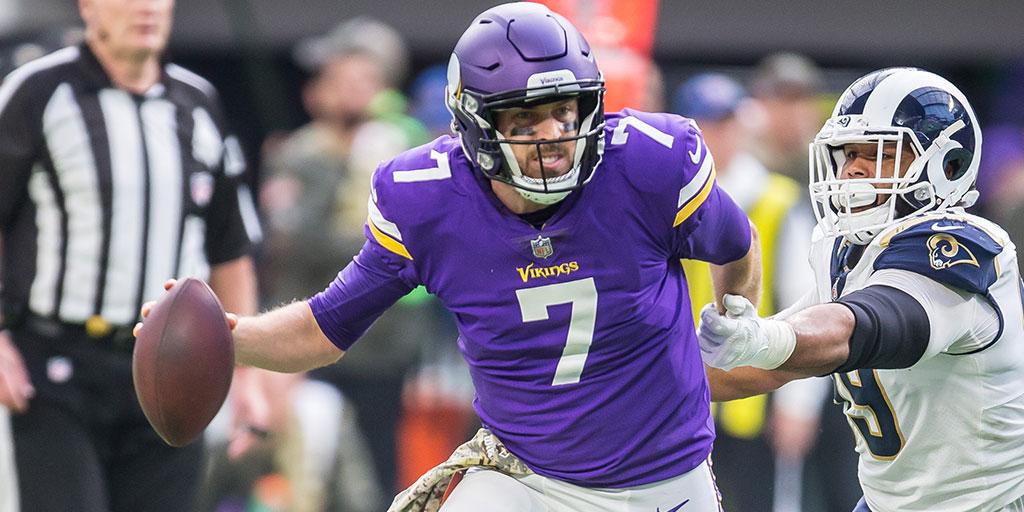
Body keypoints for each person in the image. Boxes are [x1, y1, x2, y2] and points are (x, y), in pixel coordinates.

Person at [141, 3, 760, 511]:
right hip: (526, 478)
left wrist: (734, 318)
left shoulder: (650, 163)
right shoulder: (427, 200)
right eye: (525, 119)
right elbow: (324, 328)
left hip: (663, 484)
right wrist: (226, 337)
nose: (553, 137)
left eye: (564, 110)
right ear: (474, 124)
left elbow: (737, 245)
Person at [699, 67, 1024, 511]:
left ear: (947, 165)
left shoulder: (961, 244)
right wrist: (646, 378)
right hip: (885, 502)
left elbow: (864, 326)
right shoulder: (849, 250)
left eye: (880, 154)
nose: (854, 168)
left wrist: (760, 337)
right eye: (850, 153)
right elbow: (772, 362)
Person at [0, 0, 269, 510]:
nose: (146, 7)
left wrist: (249, 375)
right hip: (55, 366)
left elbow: (230, 247)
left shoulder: (197, 102)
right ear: (88, 7)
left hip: (171, 366)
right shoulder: (38, 91)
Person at [673, 72, 816, 512]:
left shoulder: (778, 198)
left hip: (757, 388)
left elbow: (806, 298)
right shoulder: (667, 200)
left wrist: (799, 402)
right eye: (708, 125)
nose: (720, 136)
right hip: (682, 388)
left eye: (727, 124)